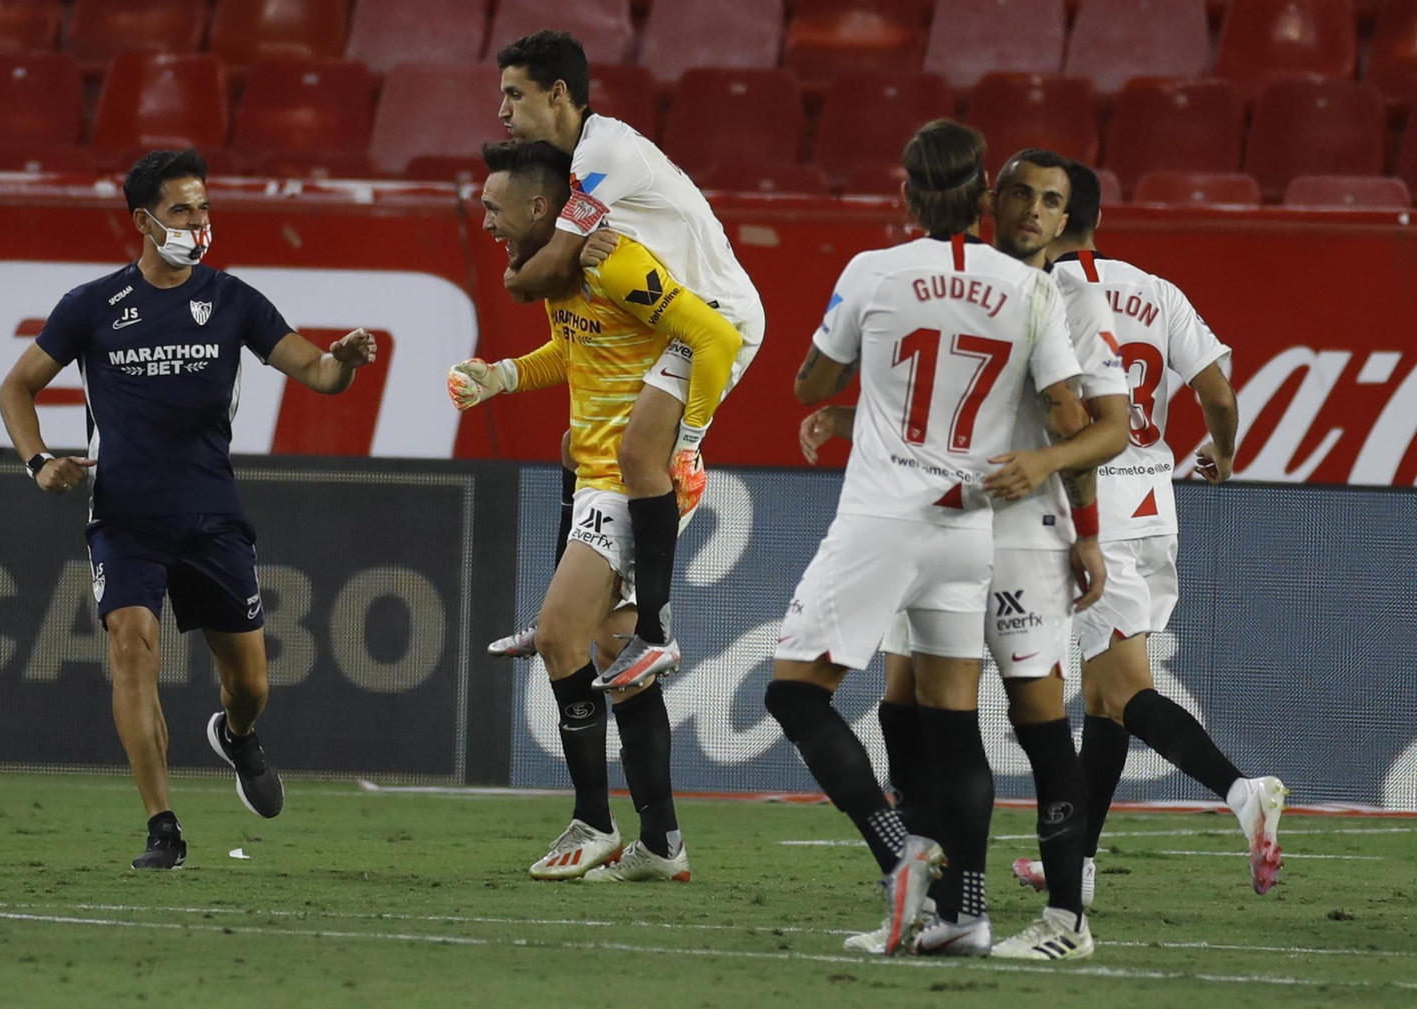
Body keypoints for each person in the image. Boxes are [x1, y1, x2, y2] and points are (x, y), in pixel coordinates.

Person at [0, 148, 378, 869]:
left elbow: (319, 372)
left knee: (250, 684)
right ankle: (161, 825)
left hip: (211, 516)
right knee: (131, 647)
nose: (198, 222)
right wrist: (39, 460)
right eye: (182, 209)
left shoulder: (233, 300)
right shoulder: (90, 307)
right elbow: (15, 388)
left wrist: (346, 359)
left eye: (203, 208)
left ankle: (236, 735)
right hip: (124, 518)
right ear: (144, 220)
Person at [764, 120, 1089, 956]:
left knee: (794, 692)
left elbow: (811, 381)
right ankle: (965, 916)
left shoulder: (874, 271)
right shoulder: (1027, 289)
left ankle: (897, 849)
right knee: (953, 726)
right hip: (969, 522)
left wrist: (863, 380)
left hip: (885, 512)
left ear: (905, 193)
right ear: (984, 194)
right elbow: (1065, 415)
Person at [448, 139, 742, 880]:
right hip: (596, 476)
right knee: (617, 662)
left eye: (493, 205)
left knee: (558, 637)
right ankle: (662, 842)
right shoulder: (554, 273)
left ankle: (592, 821)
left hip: (627, 480)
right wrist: (504, 376)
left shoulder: (615, 259)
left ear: (540, 206)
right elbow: (571, 351)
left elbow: (717, 338)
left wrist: (690, 441)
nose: (484, 219)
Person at [1009, 160, 1287, 903]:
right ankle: (1078, 864)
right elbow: (1219, 393)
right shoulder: (1158, 291)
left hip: (1091, 507)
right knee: (1103, 699)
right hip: (1155, 506)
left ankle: (1240, 790)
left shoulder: (1047, 289)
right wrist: (1222, 452)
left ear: (1062, 216)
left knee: (1123, 690)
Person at [486, 30, 765, 688]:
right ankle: (564, 607)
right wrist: (535, 272)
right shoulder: (583, 161)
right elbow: (552, 269)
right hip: (675, 318)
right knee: (574, 444)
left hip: (718, 318)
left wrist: (520, 277)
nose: (502, 111)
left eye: (514, 94)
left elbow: (548, 269)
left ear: (558, 93)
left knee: (642, 456)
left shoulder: (605, 149)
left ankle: (653, 631)